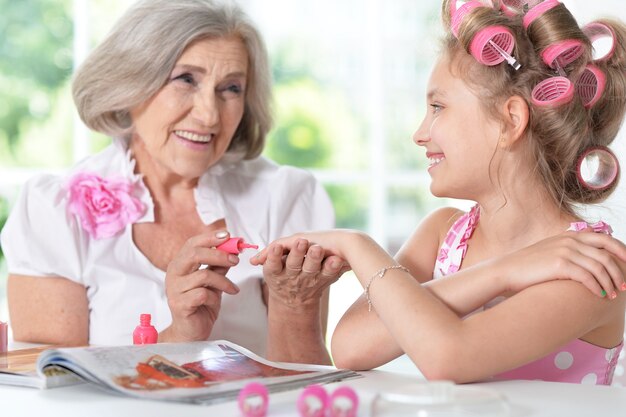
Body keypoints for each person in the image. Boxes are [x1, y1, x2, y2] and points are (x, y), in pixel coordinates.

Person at [253, 0, 626, 384]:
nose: (419, 133)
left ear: (509, 121)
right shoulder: (442, 236)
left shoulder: (590, 266)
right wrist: (506, 272)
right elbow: (351, 347)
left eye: (437, 106)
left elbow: (449, 355)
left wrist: (357, 246)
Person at [0, 0, 344, 364]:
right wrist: (177, 337)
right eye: (186, 79)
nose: (210, 115)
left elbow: (304, 377)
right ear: (130, 84)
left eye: (230, 88)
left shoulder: (284, 197)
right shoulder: (53, 209)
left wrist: (295, 303)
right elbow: (56, 383)